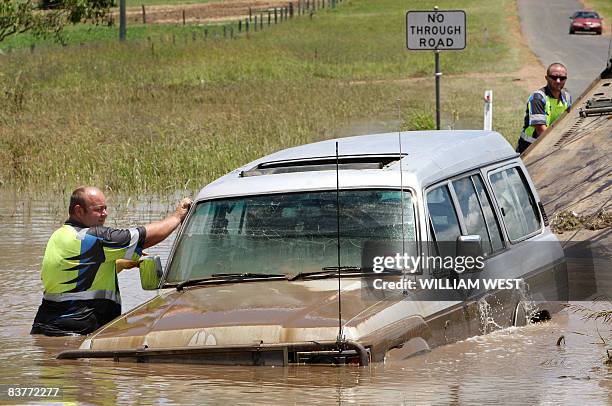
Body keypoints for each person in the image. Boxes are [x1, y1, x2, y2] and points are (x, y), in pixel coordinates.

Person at [31, 186, 192, 336]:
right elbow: (145, 237)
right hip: (75, 333)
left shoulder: (59, 235)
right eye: (98, 210)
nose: (105, 213)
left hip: (44, 329)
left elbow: (77, 275)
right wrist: (177, 216)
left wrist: (121, 263)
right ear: (79, 211)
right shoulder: (92, 237)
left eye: (106, 208)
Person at [517, 62, 572, 153]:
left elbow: (567, 122)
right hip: (530, 147)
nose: (558, 81)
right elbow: (540, 130)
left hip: (552, 143)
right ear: (546, 78)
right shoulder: (538, 98)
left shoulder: (567, 97)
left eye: (562, 78)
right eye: (554, 77)